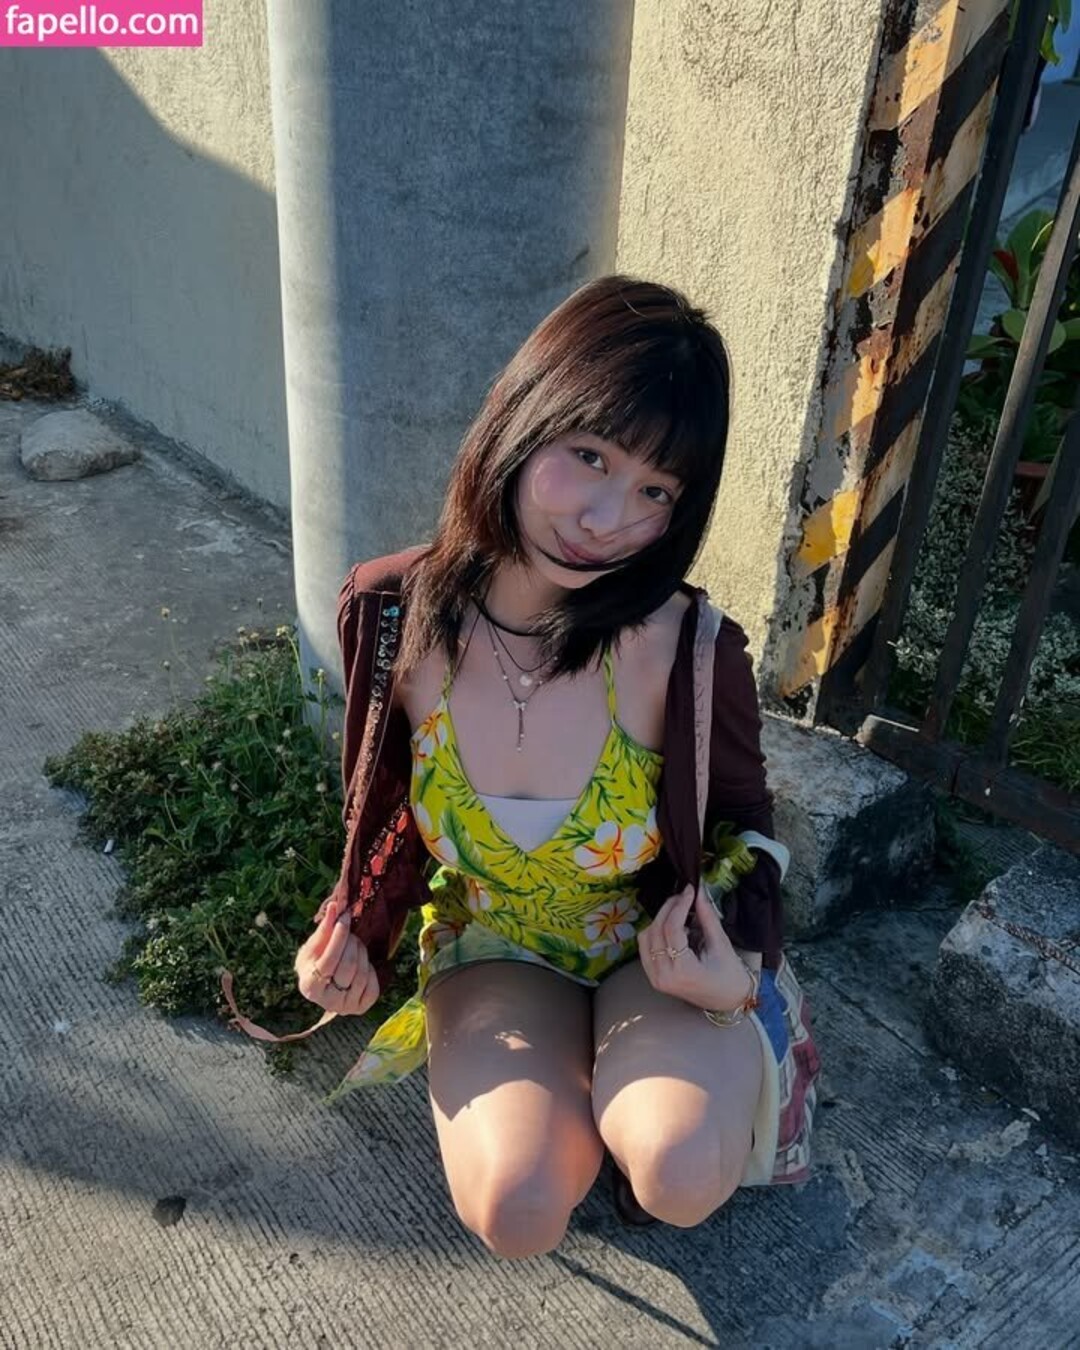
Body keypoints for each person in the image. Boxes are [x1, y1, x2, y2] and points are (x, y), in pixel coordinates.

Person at [283, 275, 819, 1258]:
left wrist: (736, 969)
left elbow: (745, 822)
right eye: (589, 456)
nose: (608, 519)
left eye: (655, 491)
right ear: (522, 420)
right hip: (495, 942)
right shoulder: (393, 614)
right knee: (517, 1209)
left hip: (649, 948)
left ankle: (628, 1108)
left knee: (680, 1173)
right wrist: (356, 931)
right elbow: (387, 805)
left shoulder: (687, 646)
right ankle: (579, 1099)